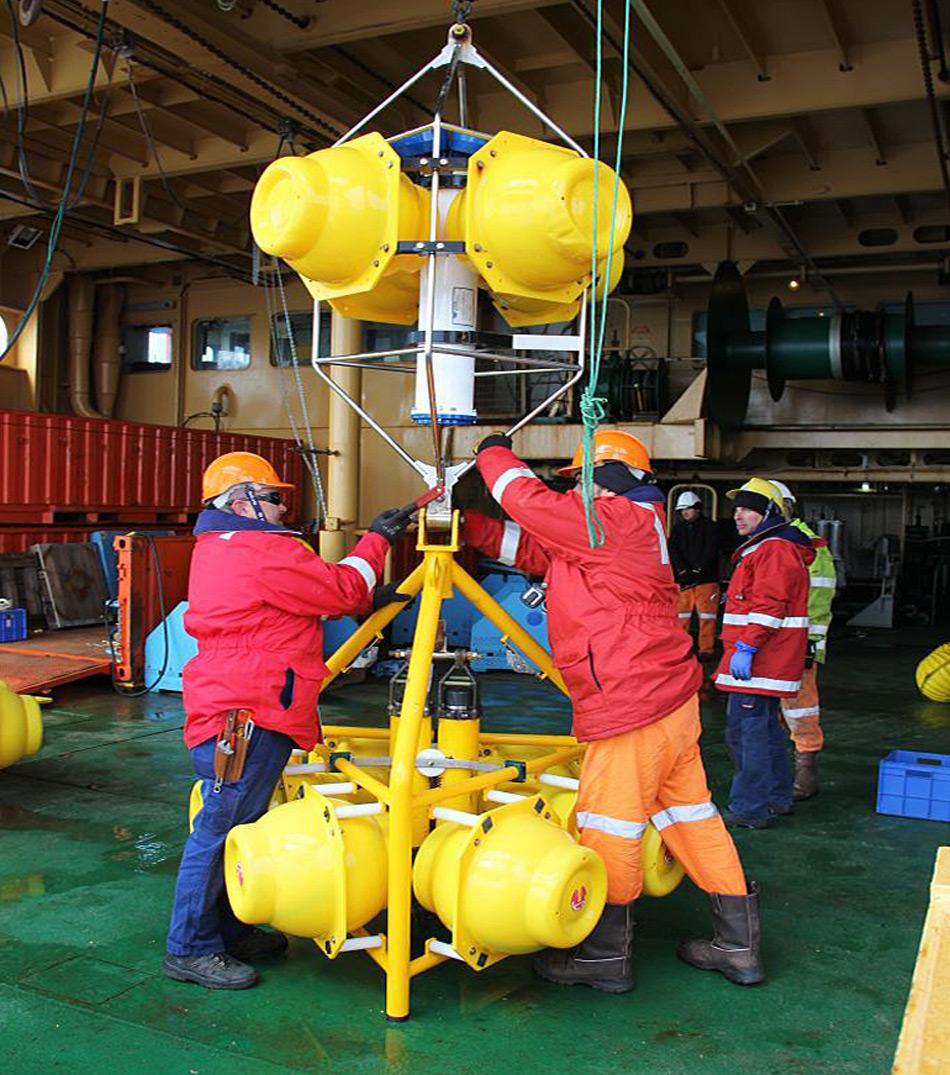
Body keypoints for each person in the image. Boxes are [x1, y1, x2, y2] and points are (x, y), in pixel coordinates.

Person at [463, 429, 763, 994]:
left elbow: (527, 500)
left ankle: (603, 957)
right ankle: (737, 946)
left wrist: (491, 454)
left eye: (578, 482)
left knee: (609, 825)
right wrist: (469, 528)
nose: (574, 491)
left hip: (632, 705)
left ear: (599, 479)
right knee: (690, 817)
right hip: (665, 702)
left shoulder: (615, 520)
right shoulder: (625, 526)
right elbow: (533, 549)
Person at [164, 451, 411, 990]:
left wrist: (359, 599)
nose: (281, 507)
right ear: (242, 501)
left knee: (242, 825)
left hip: (246, 708)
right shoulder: (258, 549)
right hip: (244, 715)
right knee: (220, 828)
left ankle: (228, 930)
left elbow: (301, 600)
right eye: (274, 497)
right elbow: (342, 588)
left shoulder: (225, 548)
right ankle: (190, 947)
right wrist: (378, 539)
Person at [714, 478, 816, 828]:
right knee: (765, 732)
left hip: (759, 661)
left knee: (747, 736)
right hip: (764, 660)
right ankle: (776, 797)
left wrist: (747, 646)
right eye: (737, 508)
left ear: (769, 512)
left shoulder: (772, 549)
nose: (738, 515)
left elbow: (769, 606)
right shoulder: (775, 548)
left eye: (747, 508)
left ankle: (748, 808)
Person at [769, 480, 836, 800]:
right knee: (780, 711)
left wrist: (809, 642)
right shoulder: (776, 542)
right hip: (777, 644)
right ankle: (785, 773)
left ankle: (805, 776)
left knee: (801, 709)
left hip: (798, 644)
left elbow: (819, 596)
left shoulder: (808, 545)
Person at [669, 490, 720, 660]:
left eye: (688, 509)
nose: (684, 513)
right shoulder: (678, 530)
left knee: (707, 617)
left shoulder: (711, 528)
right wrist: (683, 571)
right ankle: (682, 649)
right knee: (682, 617)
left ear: (697, 509)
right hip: (685, 580)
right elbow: (673, 551)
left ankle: (706, 650)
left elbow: (711, 551)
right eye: (682, 510)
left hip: (705, 581)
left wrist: (698, 570)